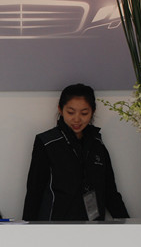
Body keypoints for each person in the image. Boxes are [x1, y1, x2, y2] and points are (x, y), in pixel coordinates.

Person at [22, 83, 129, 221]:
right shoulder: (46, 142)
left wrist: (129, 226)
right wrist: (27, 229)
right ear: (60, 110)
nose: (77, 119)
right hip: (54, 227)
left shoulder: (97, 144)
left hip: (92, 227)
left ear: (93, 112)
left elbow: (110, 192)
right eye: (71, 112)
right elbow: (34, 192)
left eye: (84, 113)